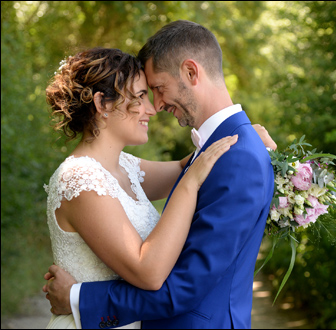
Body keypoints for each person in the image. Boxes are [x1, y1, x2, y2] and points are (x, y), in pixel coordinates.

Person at [43, 20, 275, 329]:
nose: (153, 107)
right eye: (140, 96)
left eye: (153, 91)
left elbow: (187, 165)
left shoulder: (127, 167)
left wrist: (243, 136)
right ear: (102, 104)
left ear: (191, 72)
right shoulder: (81, 180)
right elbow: (150, 270)